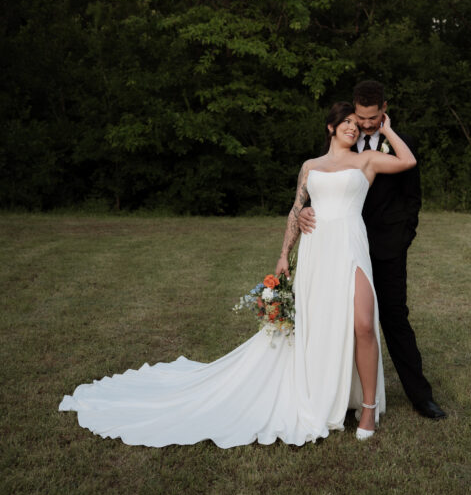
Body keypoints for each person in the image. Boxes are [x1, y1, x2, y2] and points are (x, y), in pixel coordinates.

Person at [58, 103, 417, 447]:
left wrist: (387, 129)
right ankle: (326, 392)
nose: (354, 127)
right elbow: (297, 209)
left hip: (352, 246)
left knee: (364, 324)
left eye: (358, 123)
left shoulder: (366, 161)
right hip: (317, 248)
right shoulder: (311, 165)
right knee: (322, 324)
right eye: (347, 123)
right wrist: (283, 255)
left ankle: (368, 409)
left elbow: (408, 160)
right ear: (331, 127)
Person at [298, 80, 446, 420]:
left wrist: (402, 239)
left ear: (384, 109)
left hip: (386, 249)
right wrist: (306, 209)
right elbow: (318, 182)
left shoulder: (400, 143)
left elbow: (413, 198)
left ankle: (421, 397)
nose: (364, 124)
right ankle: (344, 396)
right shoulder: (341, 139)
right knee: (341, 320)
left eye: (372, 117)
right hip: (339, 249)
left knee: (394, 319)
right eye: (360, 117)